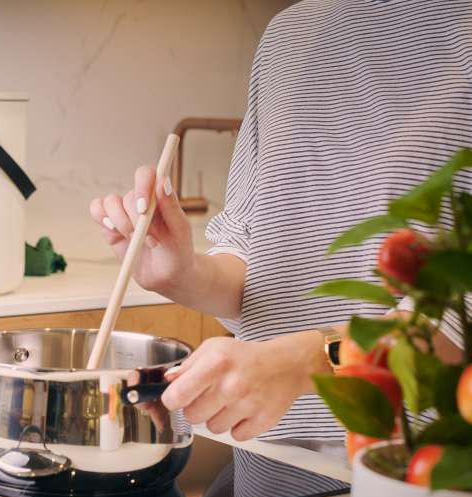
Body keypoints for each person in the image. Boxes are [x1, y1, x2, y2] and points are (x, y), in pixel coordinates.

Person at [90, 0, 471, 443]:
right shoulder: (289, 35)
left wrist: (303, 361)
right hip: (273, 452)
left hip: (414, 468)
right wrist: (185, 273)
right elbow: (259, 259)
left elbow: (458, 317)